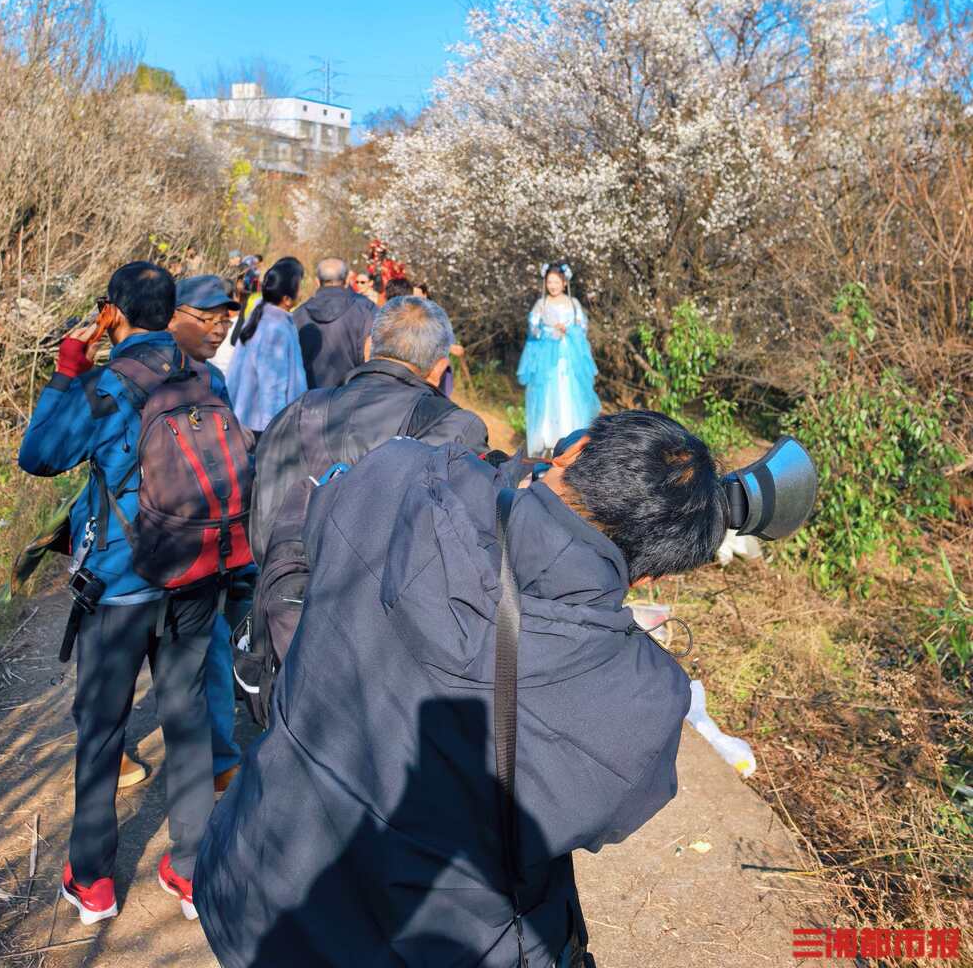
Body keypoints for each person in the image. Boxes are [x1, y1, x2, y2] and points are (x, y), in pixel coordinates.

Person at [194, 410, 728, 966]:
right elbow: (603, 817)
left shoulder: (393, 476)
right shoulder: (646, 702)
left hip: (255, 884)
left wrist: (510, 481)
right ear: (647, 579)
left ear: (572, 450)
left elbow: (324, 522)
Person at [18, 262, 215, 926]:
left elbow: (40, 453)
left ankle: (95, 882)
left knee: (102, 731)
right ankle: (192, 873)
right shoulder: (203, 377)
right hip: (196, 577)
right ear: (172, 312)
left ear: (116, 314)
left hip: (121, 585)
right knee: (187, 720)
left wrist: (70, 363)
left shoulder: (106, 386)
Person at [249, 294, 488, 561]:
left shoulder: (298, 410)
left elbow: (262, 520)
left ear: (367, 349)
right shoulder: (457, 428)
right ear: (440, 369)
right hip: (377, 601)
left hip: (280, 591)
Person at [168, 274, 253, 796]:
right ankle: (108, 754)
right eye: (207, 316)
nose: (219, 328)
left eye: (225, 317)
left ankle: (221, 756)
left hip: (203, 539)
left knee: (212, 646)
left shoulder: (212, 380)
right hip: (151, 537)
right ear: (173, 314)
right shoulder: (137, 373)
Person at [518, 261, 602, 456]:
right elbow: (533, 328)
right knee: (548, 394)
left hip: (569, 357)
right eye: (549, 282)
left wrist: (569, 330)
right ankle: (548, 438)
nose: (553, 286)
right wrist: (548, 331)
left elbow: (582, 327)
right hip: (547, 359)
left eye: (556, 282)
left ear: (564, 282)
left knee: (570, 393)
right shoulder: (542, 303)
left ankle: (571, 436)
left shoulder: (573, 303)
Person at [225, 257, 307, 437]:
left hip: (248, 418)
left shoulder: (261, 313)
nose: (301, 292)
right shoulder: (275, 328)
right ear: (286, 298)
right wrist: (276, 432)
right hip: (262, 426)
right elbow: (272, 387)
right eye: (299, 285)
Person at [292, 256, 376, 389]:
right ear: (347, 281)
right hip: (352, 399)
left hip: (309, 400)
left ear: (317, 282)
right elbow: (373, 359)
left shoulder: (298, 315)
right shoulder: (366, 311)